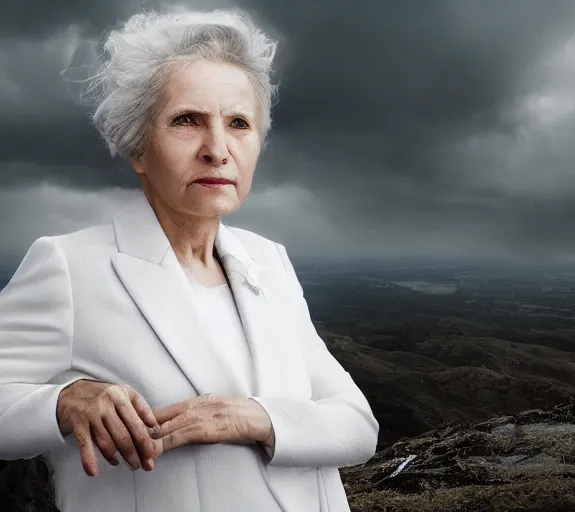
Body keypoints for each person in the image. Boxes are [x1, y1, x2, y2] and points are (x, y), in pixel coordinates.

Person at [0, 8, 378, 512]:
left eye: (239, 123)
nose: (218, 149)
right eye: (186, 120)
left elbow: (357, 425)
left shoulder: (269, 262)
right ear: (138, 146)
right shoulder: (69, 266)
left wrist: (253, 418)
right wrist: (64, 402)